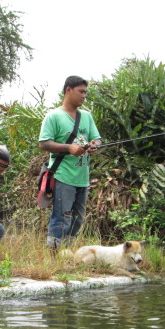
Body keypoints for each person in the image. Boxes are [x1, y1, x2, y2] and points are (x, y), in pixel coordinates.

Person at [38, 76, 102, 249]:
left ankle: (67, 253)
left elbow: (97, 139)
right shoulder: (53, 116)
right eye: (81, 92)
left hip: (83, 178)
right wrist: (69, 148)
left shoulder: (87, 117)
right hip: (62, 176)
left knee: (77, 219)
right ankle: (54, 256)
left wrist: (93, 146)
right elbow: (44, 143)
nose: (84, 96)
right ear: (68, 90)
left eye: (85, 93)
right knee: (61, 217)